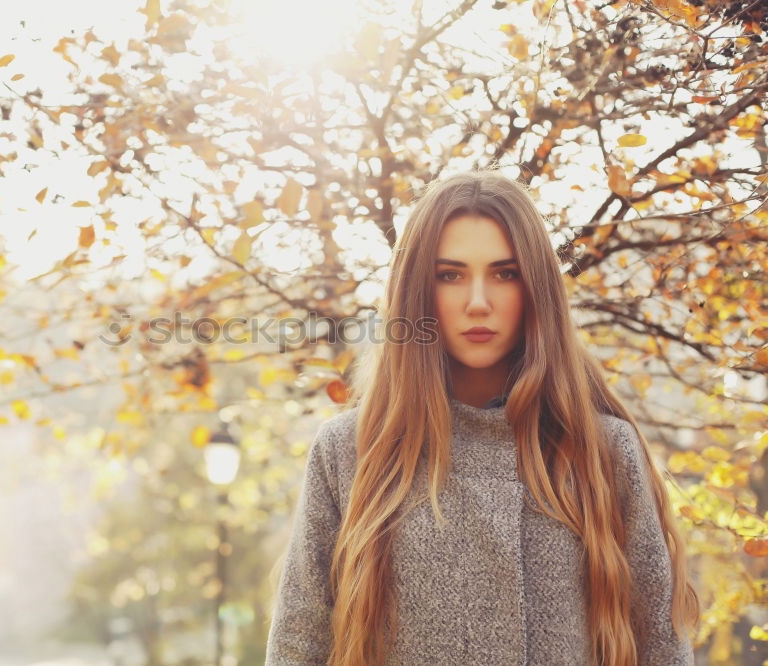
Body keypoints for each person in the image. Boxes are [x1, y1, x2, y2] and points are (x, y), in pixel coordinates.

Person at [264, 170, 700, 665]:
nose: (477, 302)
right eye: (449, 275)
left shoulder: (602, 452)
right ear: (417, 293)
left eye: (504, 273)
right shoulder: (350, 452)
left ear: (535, 287)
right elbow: (299, 648)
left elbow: (661, 650)